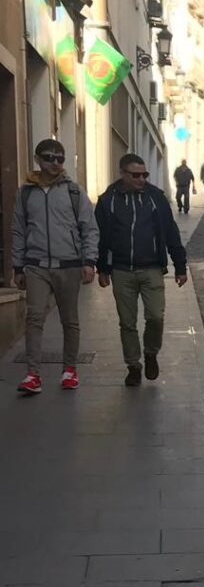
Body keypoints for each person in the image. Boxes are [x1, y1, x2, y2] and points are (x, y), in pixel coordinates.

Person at [12, 139, 98, 395]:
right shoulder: (25, 193)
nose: (55, 163)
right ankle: (33, 374)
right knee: (34, 318)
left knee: (69, 320)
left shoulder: (74, 191)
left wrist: (89, 261)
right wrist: (18, 266)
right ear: (37, 159)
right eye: (49, 158)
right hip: (36, 265)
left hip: (69, 264)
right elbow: (18, 230)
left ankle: (69, 370)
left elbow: (89, 228)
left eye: (60, 158)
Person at [95, 154, 187, 387]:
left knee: (156, 316)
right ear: (123, 174)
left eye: (144, 174)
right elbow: (101, 237)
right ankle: (133, 366)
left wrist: (180, 265)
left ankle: (151, 352)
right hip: (121, 270)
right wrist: (102, 268)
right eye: (136, 175)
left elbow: (170, 231)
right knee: (127, 322)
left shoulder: (156, 198)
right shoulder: (108, 200)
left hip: (151, 268)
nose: (141, 179)